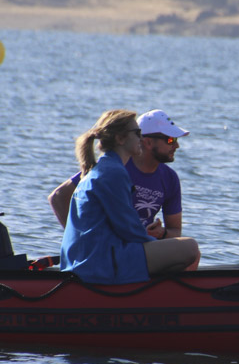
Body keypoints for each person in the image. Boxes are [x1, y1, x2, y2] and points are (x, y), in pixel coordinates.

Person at [59, 110, 199, 284]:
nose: (141, 138)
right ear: (120, 139)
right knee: (190, 248)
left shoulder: (103, 167)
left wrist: (159, 239)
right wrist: (155, 244)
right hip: (99, 263)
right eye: (137, 133)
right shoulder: (114, 172)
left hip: (92, 258)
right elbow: (129, 230)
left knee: (177, 250)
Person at [49, 110, 188, 241]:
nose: (176, 146)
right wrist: (80, 238)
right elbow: (58, 197)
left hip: (139, 244)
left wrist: (161, 233)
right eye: (171, 140)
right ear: (148, 142)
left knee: (189, 249)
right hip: (117, 247)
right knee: (190, 249)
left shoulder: (170, 178)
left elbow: (175, 230)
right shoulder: (114, 168)